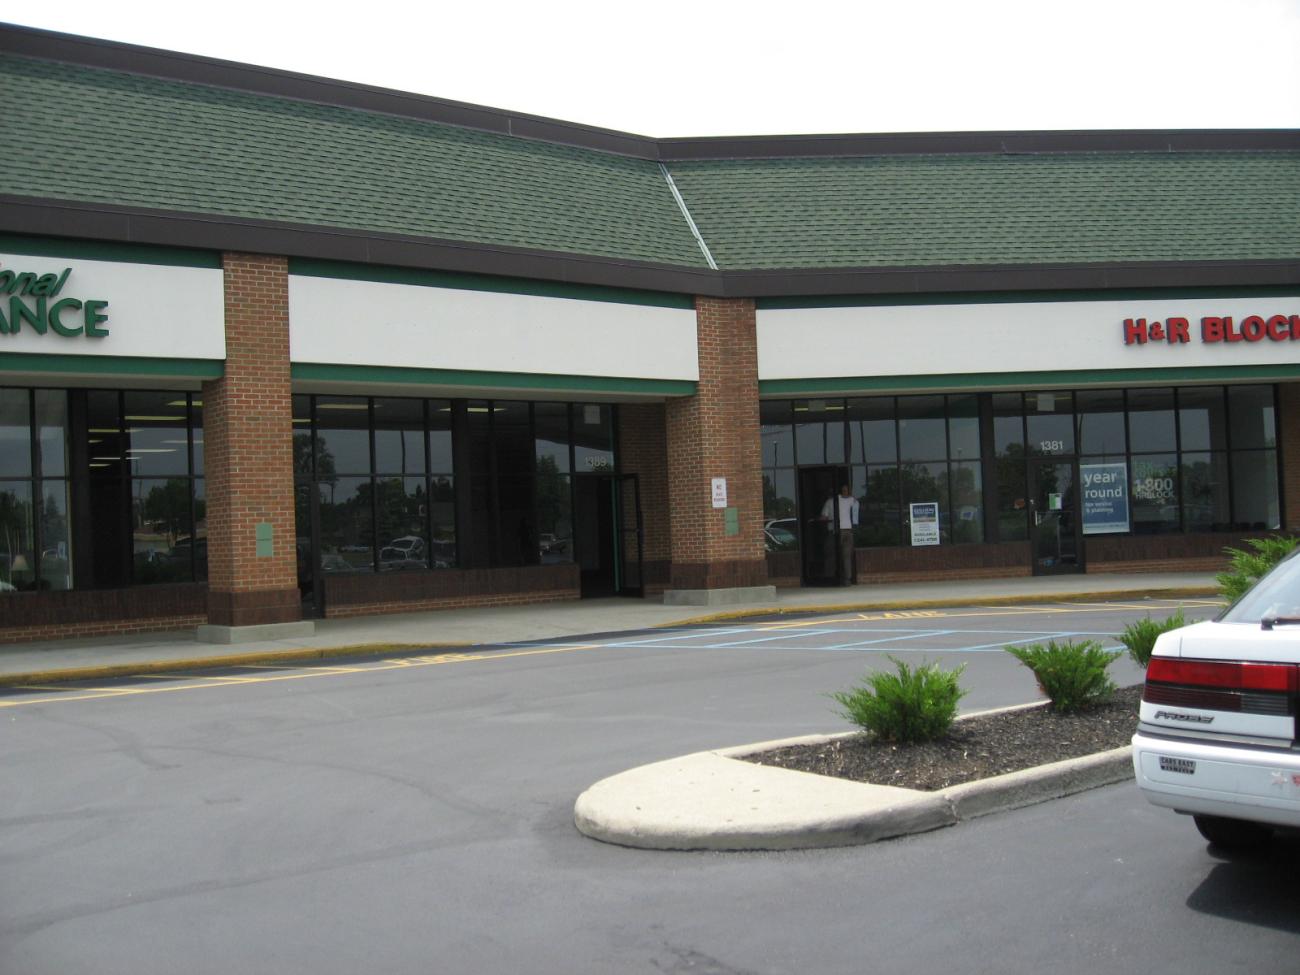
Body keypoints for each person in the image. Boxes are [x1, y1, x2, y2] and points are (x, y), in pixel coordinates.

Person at [820, 484, 860, 585]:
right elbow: (856, 508)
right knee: (846, 557)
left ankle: (830, 578)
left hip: (836, 531)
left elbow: (824, 517)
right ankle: (847, 579)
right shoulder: (852, 500)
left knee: (831, 555)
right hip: (848, 530)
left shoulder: (830, 501)